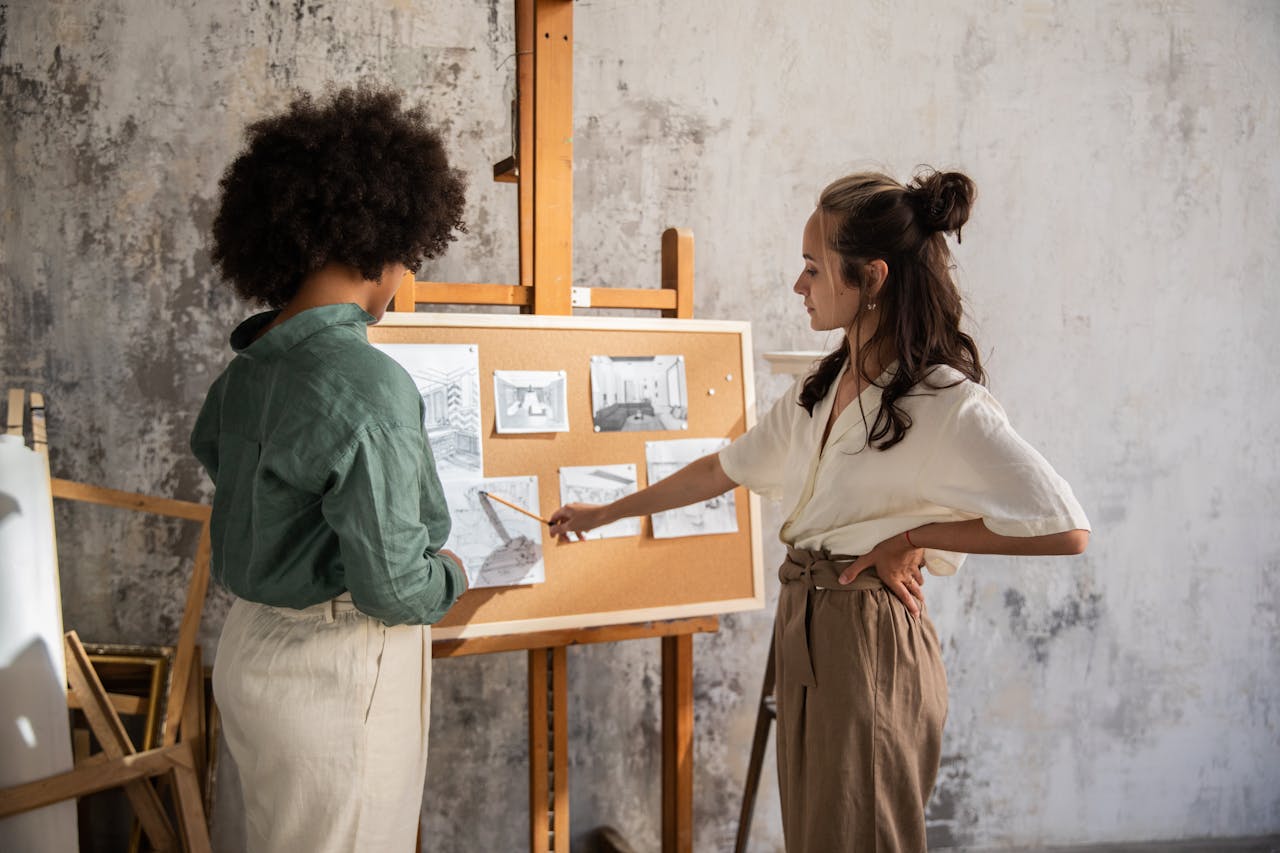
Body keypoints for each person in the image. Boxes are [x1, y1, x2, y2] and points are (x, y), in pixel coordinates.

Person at [549, 169, 1091, 852]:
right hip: (805, 623)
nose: (798, 286)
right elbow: (724, 466)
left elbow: (1063, 526)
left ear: (871, 277)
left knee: (861, 837)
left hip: (870, 637)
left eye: (812, 268)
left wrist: (915, 533)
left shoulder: (943, 399)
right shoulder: (823, 383)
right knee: (815, 835)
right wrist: (606, 513)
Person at [190, 84, 470, 853]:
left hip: (250, 652)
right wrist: (449, 572)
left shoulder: (245, 371)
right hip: (340, 667)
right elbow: (391, 585)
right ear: (381, 245)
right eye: (407, 259)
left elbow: (211, 450)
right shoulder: (368, 383)